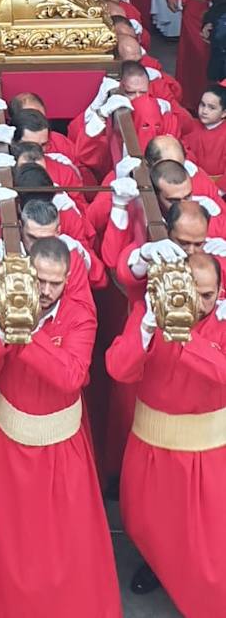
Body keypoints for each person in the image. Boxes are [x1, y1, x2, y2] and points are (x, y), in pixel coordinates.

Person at [0, 237, 121, 618]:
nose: (47, 291)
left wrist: (26, 335)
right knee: (11, 541)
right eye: (40, 280)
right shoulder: (0, 306)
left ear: (68, 280)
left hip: (61, 447)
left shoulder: (80, 314)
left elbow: (71, 376)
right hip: (10, 443)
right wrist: (2, 335)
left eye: (56, 283)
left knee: (67, 544)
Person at [106, 252, 226, 610]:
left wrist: (184, 336)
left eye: (208, 294)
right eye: (194, 291)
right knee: (148, 521)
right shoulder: (151, 311)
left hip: (206, 448)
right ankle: (158, 567)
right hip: (152, 441)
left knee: (206, 537)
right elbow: (118, 368)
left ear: (220, 291)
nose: (200, 303)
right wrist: (145, 328)